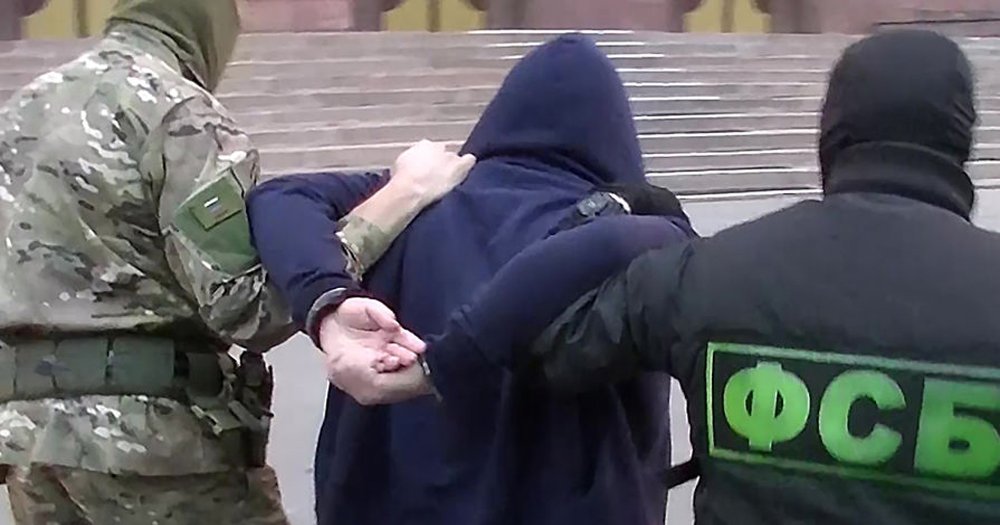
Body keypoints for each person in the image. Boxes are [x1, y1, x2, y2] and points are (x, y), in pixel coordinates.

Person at [384, 29, 1000, 523]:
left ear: (831, 133)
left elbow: (544, 345)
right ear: (959, 139)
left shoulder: (706, 272)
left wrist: (626, 215)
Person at [0, 0, 471, 522]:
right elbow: (247, 307)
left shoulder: (23, 108)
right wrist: (400, 198)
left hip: (29, 443)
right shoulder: (176, 112)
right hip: (154, 448)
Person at [246, 34, 696, 524]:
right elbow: (614, 246)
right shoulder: (631, 236)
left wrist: (329, 303)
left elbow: (280, 198)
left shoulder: (414, 204)